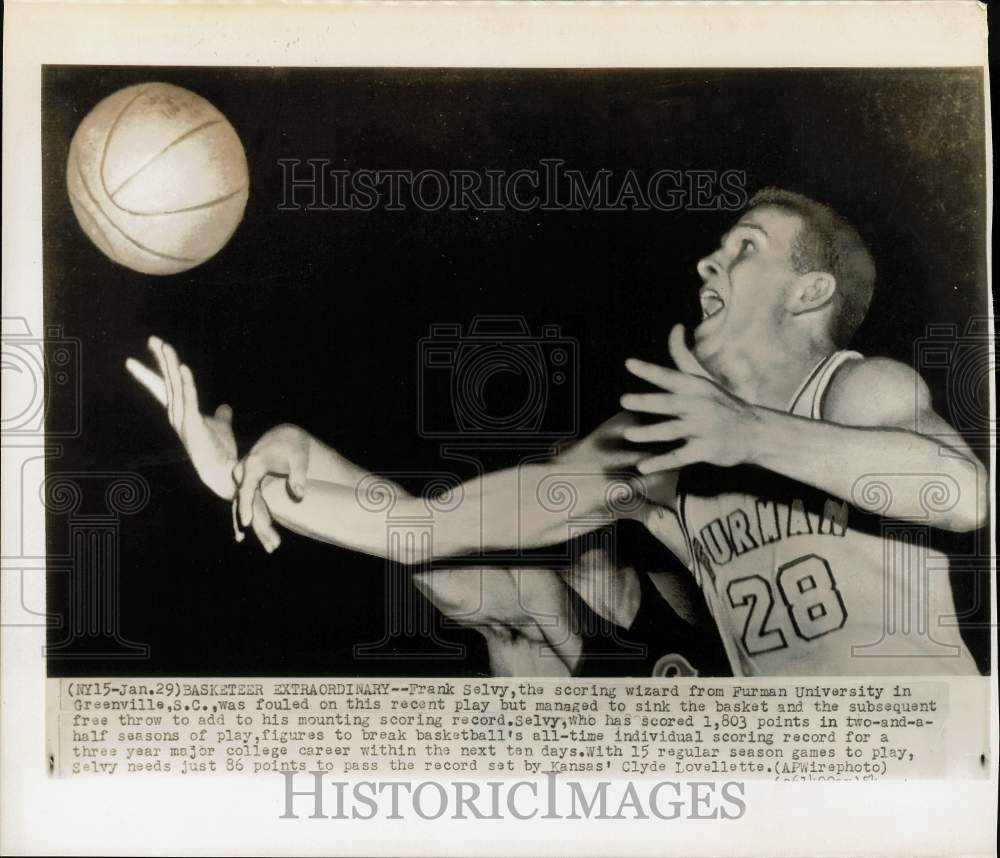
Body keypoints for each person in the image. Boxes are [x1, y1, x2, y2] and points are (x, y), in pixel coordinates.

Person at [129, 187, 987, 676]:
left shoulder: (860, 389)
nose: (708, 261)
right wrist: (266, 472)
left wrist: (749, 434)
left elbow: (964, 496)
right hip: (782, 779)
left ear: (810, 293)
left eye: (747, 247)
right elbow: (438, 528)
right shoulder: (653, 443)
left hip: (918, 767)